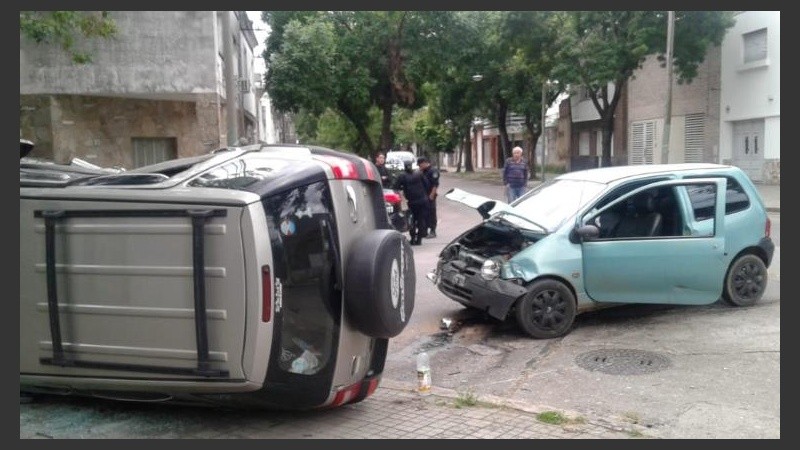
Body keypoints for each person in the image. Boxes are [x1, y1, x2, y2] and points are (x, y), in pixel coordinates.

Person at [393, 161, 430, 245]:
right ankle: (419, 239)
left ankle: (413, 238)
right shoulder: (419, 174)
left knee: (411, 219)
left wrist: (403, 192)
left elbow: (395, 187)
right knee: (421, 219)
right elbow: (427, 185)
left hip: (412, 202)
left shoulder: (402, 176)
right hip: (422, 200)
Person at [417, 156, 440, 238]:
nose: (420, 167)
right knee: (424, 213)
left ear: (424, 163)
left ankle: (433, 231)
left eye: (420, 165)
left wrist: (431, 196)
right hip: (423, 196)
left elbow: (435, 185)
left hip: (430, 195)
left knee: (431, 213)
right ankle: (424, 231)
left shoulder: (433, 171)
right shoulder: (422, 171)